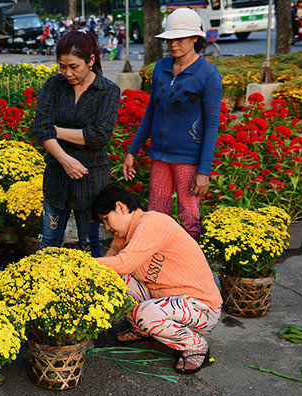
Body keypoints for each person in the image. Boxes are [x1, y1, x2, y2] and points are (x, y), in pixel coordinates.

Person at [93, 185, 222, 374]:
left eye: (106, 219)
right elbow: (111, 268)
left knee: (145, 313)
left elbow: (123, 263)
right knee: (119, 282)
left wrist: (81, 262)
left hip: (202, 309)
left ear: (121, 207)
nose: (107, 227)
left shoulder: (153, 222)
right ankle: (143, 329)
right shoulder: (125, 233)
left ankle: (195, 345)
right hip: (168, 302)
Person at [122, 8, 222, 242]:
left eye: (180, 38)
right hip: (159, 156)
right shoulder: (161, 68)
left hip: (188, 159)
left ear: (195, 38)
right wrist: (132, 151)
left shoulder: (208, 75)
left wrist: (204, 171)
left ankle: (191, 270)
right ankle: (159, 269)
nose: (173, 44)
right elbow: (151, 113)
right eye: (170, 38)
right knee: (156, 215)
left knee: (189, 219)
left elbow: (211, 127)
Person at [34, 30, 120, 258]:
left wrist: (55, 131)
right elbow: (40, 129)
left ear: (90, 61)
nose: (67, 73)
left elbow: (100, 135)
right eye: (62, 67)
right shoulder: (54, 85)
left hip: (91, 178)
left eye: (73, 66)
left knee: (89, 245)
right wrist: (65, 160)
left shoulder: (108, 90)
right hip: (56, 175)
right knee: (48, 243)